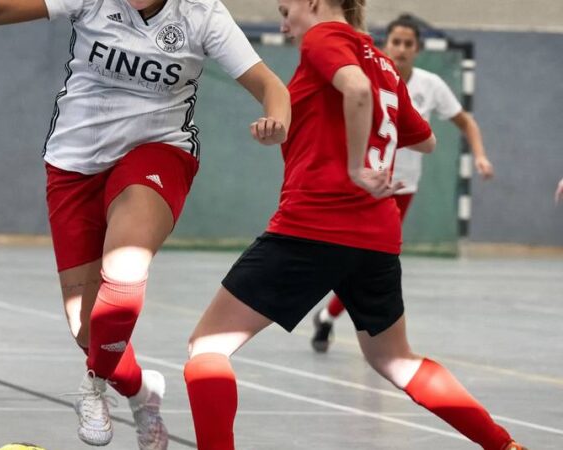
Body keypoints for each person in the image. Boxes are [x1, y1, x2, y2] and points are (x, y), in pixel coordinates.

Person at [0, 0, 290, 448]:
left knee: (125, 266)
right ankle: (140, 391)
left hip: (158, 151)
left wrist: (277, 119)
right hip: (75, 162)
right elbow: (3, 8)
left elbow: (270, 85)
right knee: (88, 328)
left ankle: (94, 385)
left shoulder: (201, 13)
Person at [183, 1, 525, 449]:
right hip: (376, 238)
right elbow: (426, 139)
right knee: (396, 360)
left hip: (312, 227)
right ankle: (504, 445)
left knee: (206, 348)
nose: (284, 24)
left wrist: (355, 166)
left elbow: (357, 90)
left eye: (288, 9)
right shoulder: (383, 62)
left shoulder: (325, 39)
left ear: (315, 3)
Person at [310, 13, 497, 353]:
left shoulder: (430, 85)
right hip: (363, 182)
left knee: (371, 260)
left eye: (408, 44)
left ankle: (329, 316)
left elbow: (465, 122)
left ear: (418, 49)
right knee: (355, 257)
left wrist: (481, 156)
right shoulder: (366, 76)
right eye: (396, 41)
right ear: (385, 44)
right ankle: (342, 320)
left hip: (401, 188)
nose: (401, 49)